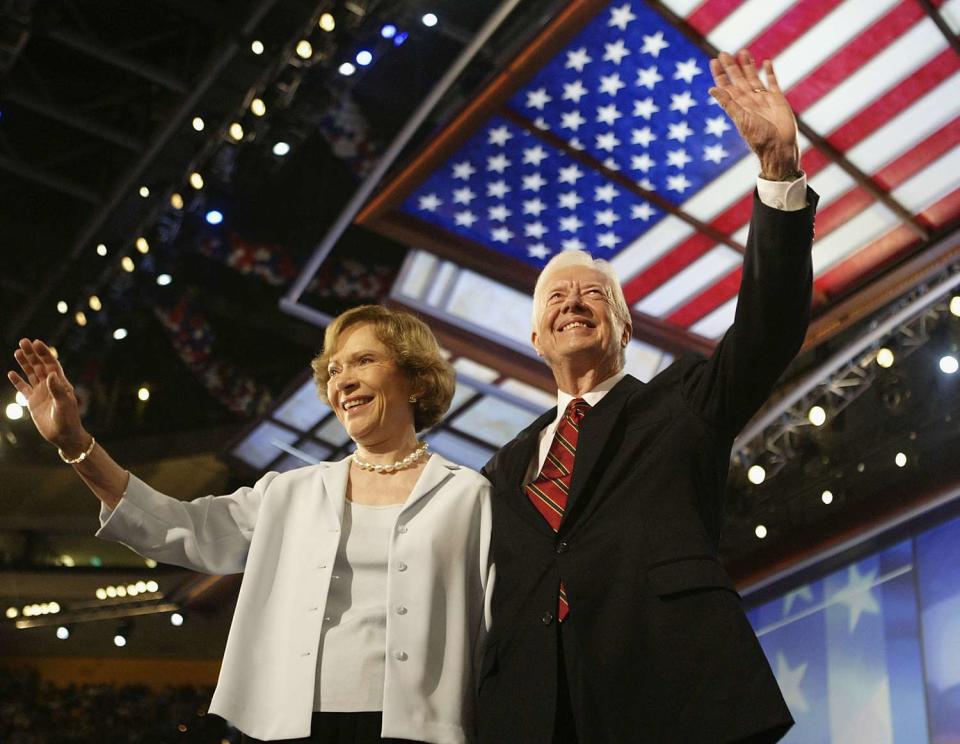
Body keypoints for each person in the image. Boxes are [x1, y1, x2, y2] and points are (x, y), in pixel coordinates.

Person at [476, 50, 817, 743]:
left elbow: (768, 326)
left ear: (624, 326)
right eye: (557, 297)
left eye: (594, 293)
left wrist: (778, 169)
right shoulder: (499, 472)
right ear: (537, 336)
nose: (575, 300)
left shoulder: (684, 400)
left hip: (674, 700)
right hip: (534, 719)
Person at [7, 305, 493, 744]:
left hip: (423, 729)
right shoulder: (290, 492)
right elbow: (178, 528)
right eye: (335, 369)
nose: (342, 380)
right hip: (292, 727)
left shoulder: (469, 496)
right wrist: (76, 444)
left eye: (364, 361)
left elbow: (499, 626)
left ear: (417, 380)